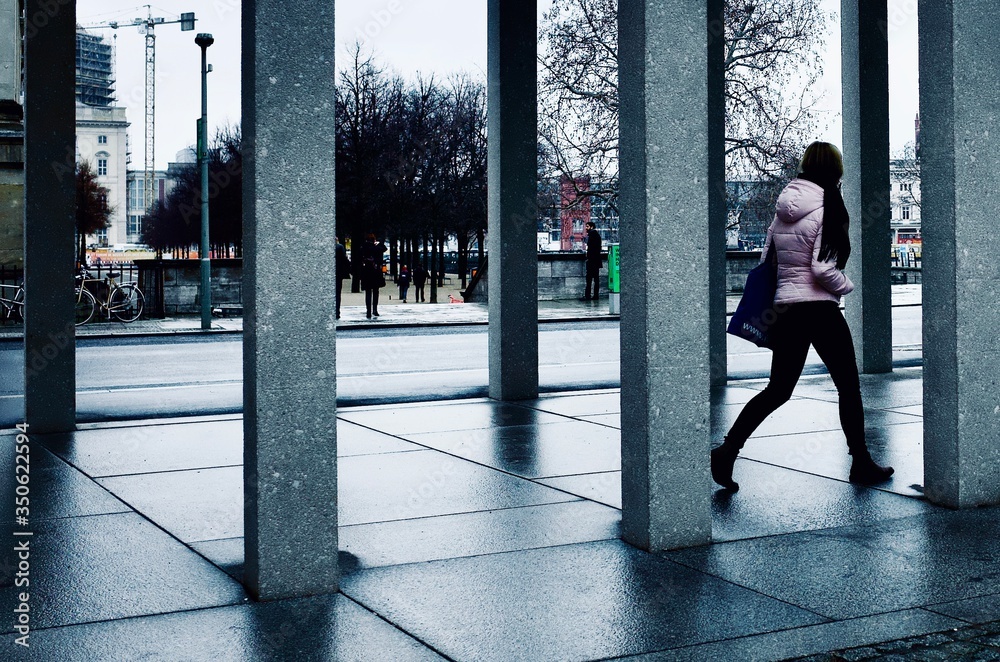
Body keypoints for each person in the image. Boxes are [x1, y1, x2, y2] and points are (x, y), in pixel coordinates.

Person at [710, 141, 894, 491]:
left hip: (787, 309)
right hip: (819, 309)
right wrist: (845, 286)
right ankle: (861, 463)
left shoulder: (785, 206)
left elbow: (768, 261)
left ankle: (727, 450)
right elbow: (823, 269)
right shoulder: (827, 206)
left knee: (778, 390)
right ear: (834, 170)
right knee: (848, 387)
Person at [360, 233, 387, 319]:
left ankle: (368, 311)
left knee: (368, 292)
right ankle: (375, 310)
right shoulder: (377, 248)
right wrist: (378, 243)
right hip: (376, 272)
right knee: (376, 291)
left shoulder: (363, 247)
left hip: (367, 271)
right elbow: (384, 248)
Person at [583, 220, 602, 300]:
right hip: (596, 260)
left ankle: (588, 295)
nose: (586, 228)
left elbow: (591, 248)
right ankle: (595, 295)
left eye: (587, 226)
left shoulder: (591, 235)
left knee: (589, 279)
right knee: (596, 279)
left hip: (592, 261)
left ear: (591, 227)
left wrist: (588, 257)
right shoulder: (596, 235)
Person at [335, 237, 351, 320]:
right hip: (338, 272)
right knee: (338, 293)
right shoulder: (339, 247)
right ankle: (337, 312)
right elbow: (344, 259)